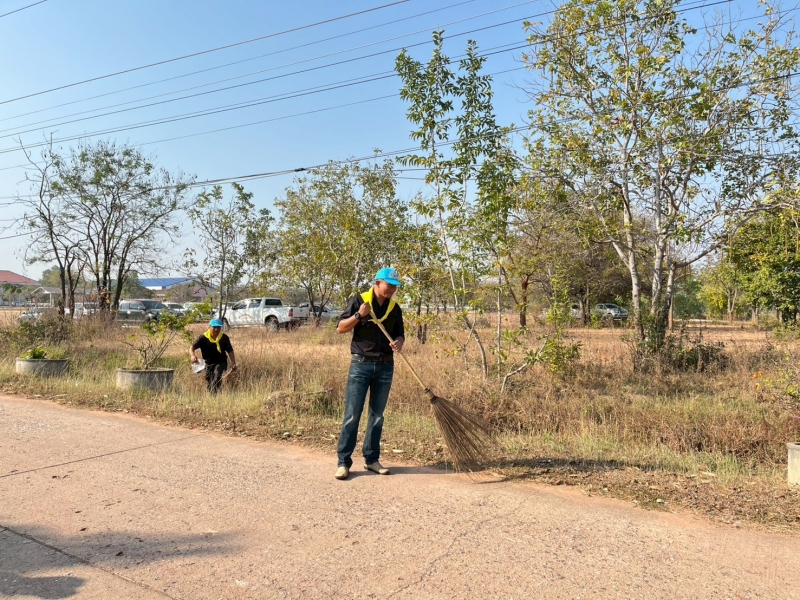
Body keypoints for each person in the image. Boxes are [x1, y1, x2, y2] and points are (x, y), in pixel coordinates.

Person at [334, 267, 405, 480]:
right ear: (377, 283)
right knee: (352, 415)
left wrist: (399, 342)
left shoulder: (394, 308)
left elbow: (400, 334)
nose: (392, 289)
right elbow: (341, 328)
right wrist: (359, 315)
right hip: (361, 364)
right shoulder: (360, 300)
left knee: (377, 416)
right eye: (389, 285)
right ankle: (343, 462)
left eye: (395, 286)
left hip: (385, 366)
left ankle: (372, 459)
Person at [190, 319, 237, 394]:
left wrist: (233, 363)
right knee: (210, 380)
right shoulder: (203, 337)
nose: (216, 329)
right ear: (209, 327)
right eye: (214, 327)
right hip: (208, 363)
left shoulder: (224, 338)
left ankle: (215, 394)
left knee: (217, 375)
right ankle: (212, 394)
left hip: (221, 362)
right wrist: (192, 356)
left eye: (218, 327)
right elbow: (192, 347)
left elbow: (230, 351)